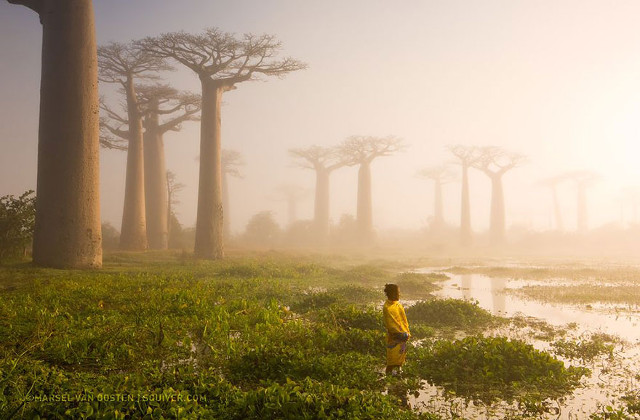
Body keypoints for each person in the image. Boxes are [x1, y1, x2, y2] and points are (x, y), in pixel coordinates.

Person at [383, 283, 410, 375]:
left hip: (403, 336)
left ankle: (398, 380)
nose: (399, 295)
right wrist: (399, 333)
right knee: (391, 361)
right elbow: (390, 324)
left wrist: (406, 332)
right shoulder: (387, 307)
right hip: (394, 337)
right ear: (391, 294)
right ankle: (389, 379)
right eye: (397, 293)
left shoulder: (398, 305)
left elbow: (403, 320)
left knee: (400, 360)